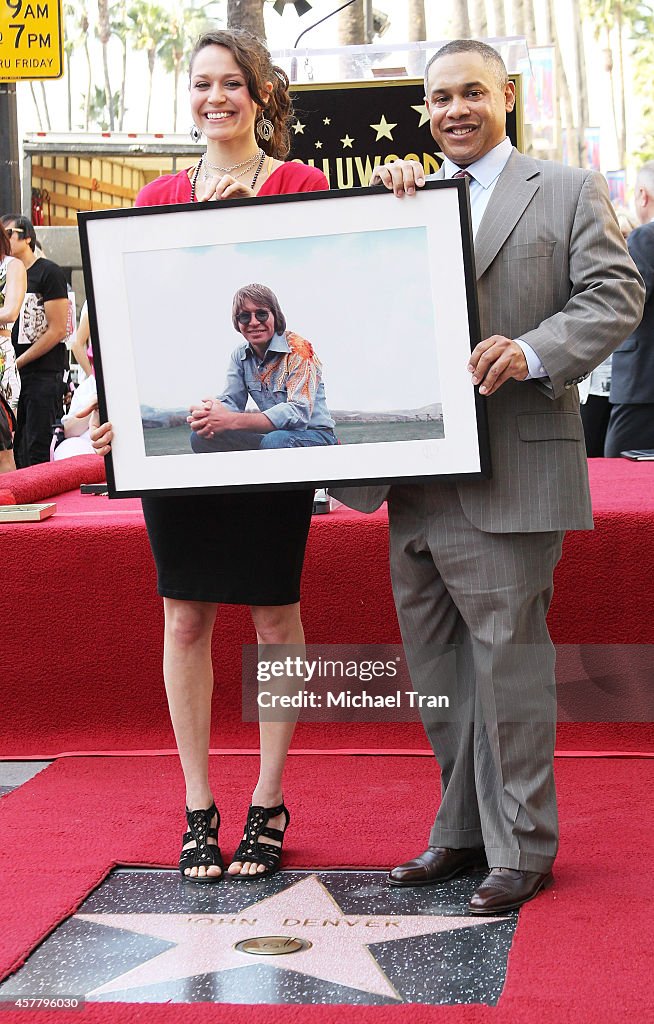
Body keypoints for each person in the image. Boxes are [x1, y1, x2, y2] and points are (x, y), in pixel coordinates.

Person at [333, 39, 644, 914]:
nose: (456, 109)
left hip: (512, 469)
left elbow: (616, 295)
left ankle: (524, 847)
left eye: (473, 92)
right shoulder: (405, 195)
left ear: (504, 95)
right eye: (440, 98)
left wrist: (533, 349)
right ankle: (460, 833)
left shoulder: (566, 188)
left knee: (508, 668)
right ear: (424, 109)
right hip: (414, 479)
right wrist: (385, 212)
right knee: (439, 670)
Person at [86, 29, 329, 884]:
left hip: (268, 449)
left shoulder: (306, 187)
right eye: (202, 84)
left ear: (261, 97)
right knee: (184, 617)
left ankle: (268, 800)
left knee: (272, 615)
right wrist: (119, 411)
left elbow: (310, 299)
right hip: (179, 455)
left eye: (232, 84)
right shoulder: (153, 196)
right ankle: (198, 805)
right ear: (188, 96)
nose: (216, 97)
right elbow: (115, 330)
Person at [188, 283, 336, 454]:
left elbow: (298, 413)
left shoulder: (299, 350)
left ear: (276, 316)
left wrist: (230, 420)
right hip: (274, 438)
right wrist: (208, 414)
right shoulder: (240, 355)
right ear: (237, 323)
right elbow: (231, 402)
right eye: (244, 317)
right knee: (201, 437)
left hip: (316, 436)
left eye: (261, 314)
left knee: (275, 441)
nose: (254, 322)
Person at [0, 214, 69, 468]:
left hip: (42, 372)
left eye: (10, 233)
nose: (5, 239)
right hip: (13, 369)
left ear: (27, 237)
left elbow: (58, 329)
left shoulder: (48, 272)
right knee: (13, 444)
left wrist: (18, 361)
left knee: (37, 444)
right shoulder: (5, 273)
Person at [604, 161, 654, 456]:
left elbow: (624, 302)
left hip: (642, 386)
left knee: (617, 472)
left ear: (642, 196)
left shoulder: (645, 237)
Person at [0, 221, 27, 473]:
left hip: (0, 357)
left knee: (3, 448)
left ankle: (10, 510)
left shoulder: (12, 265)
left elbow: (10, 312)